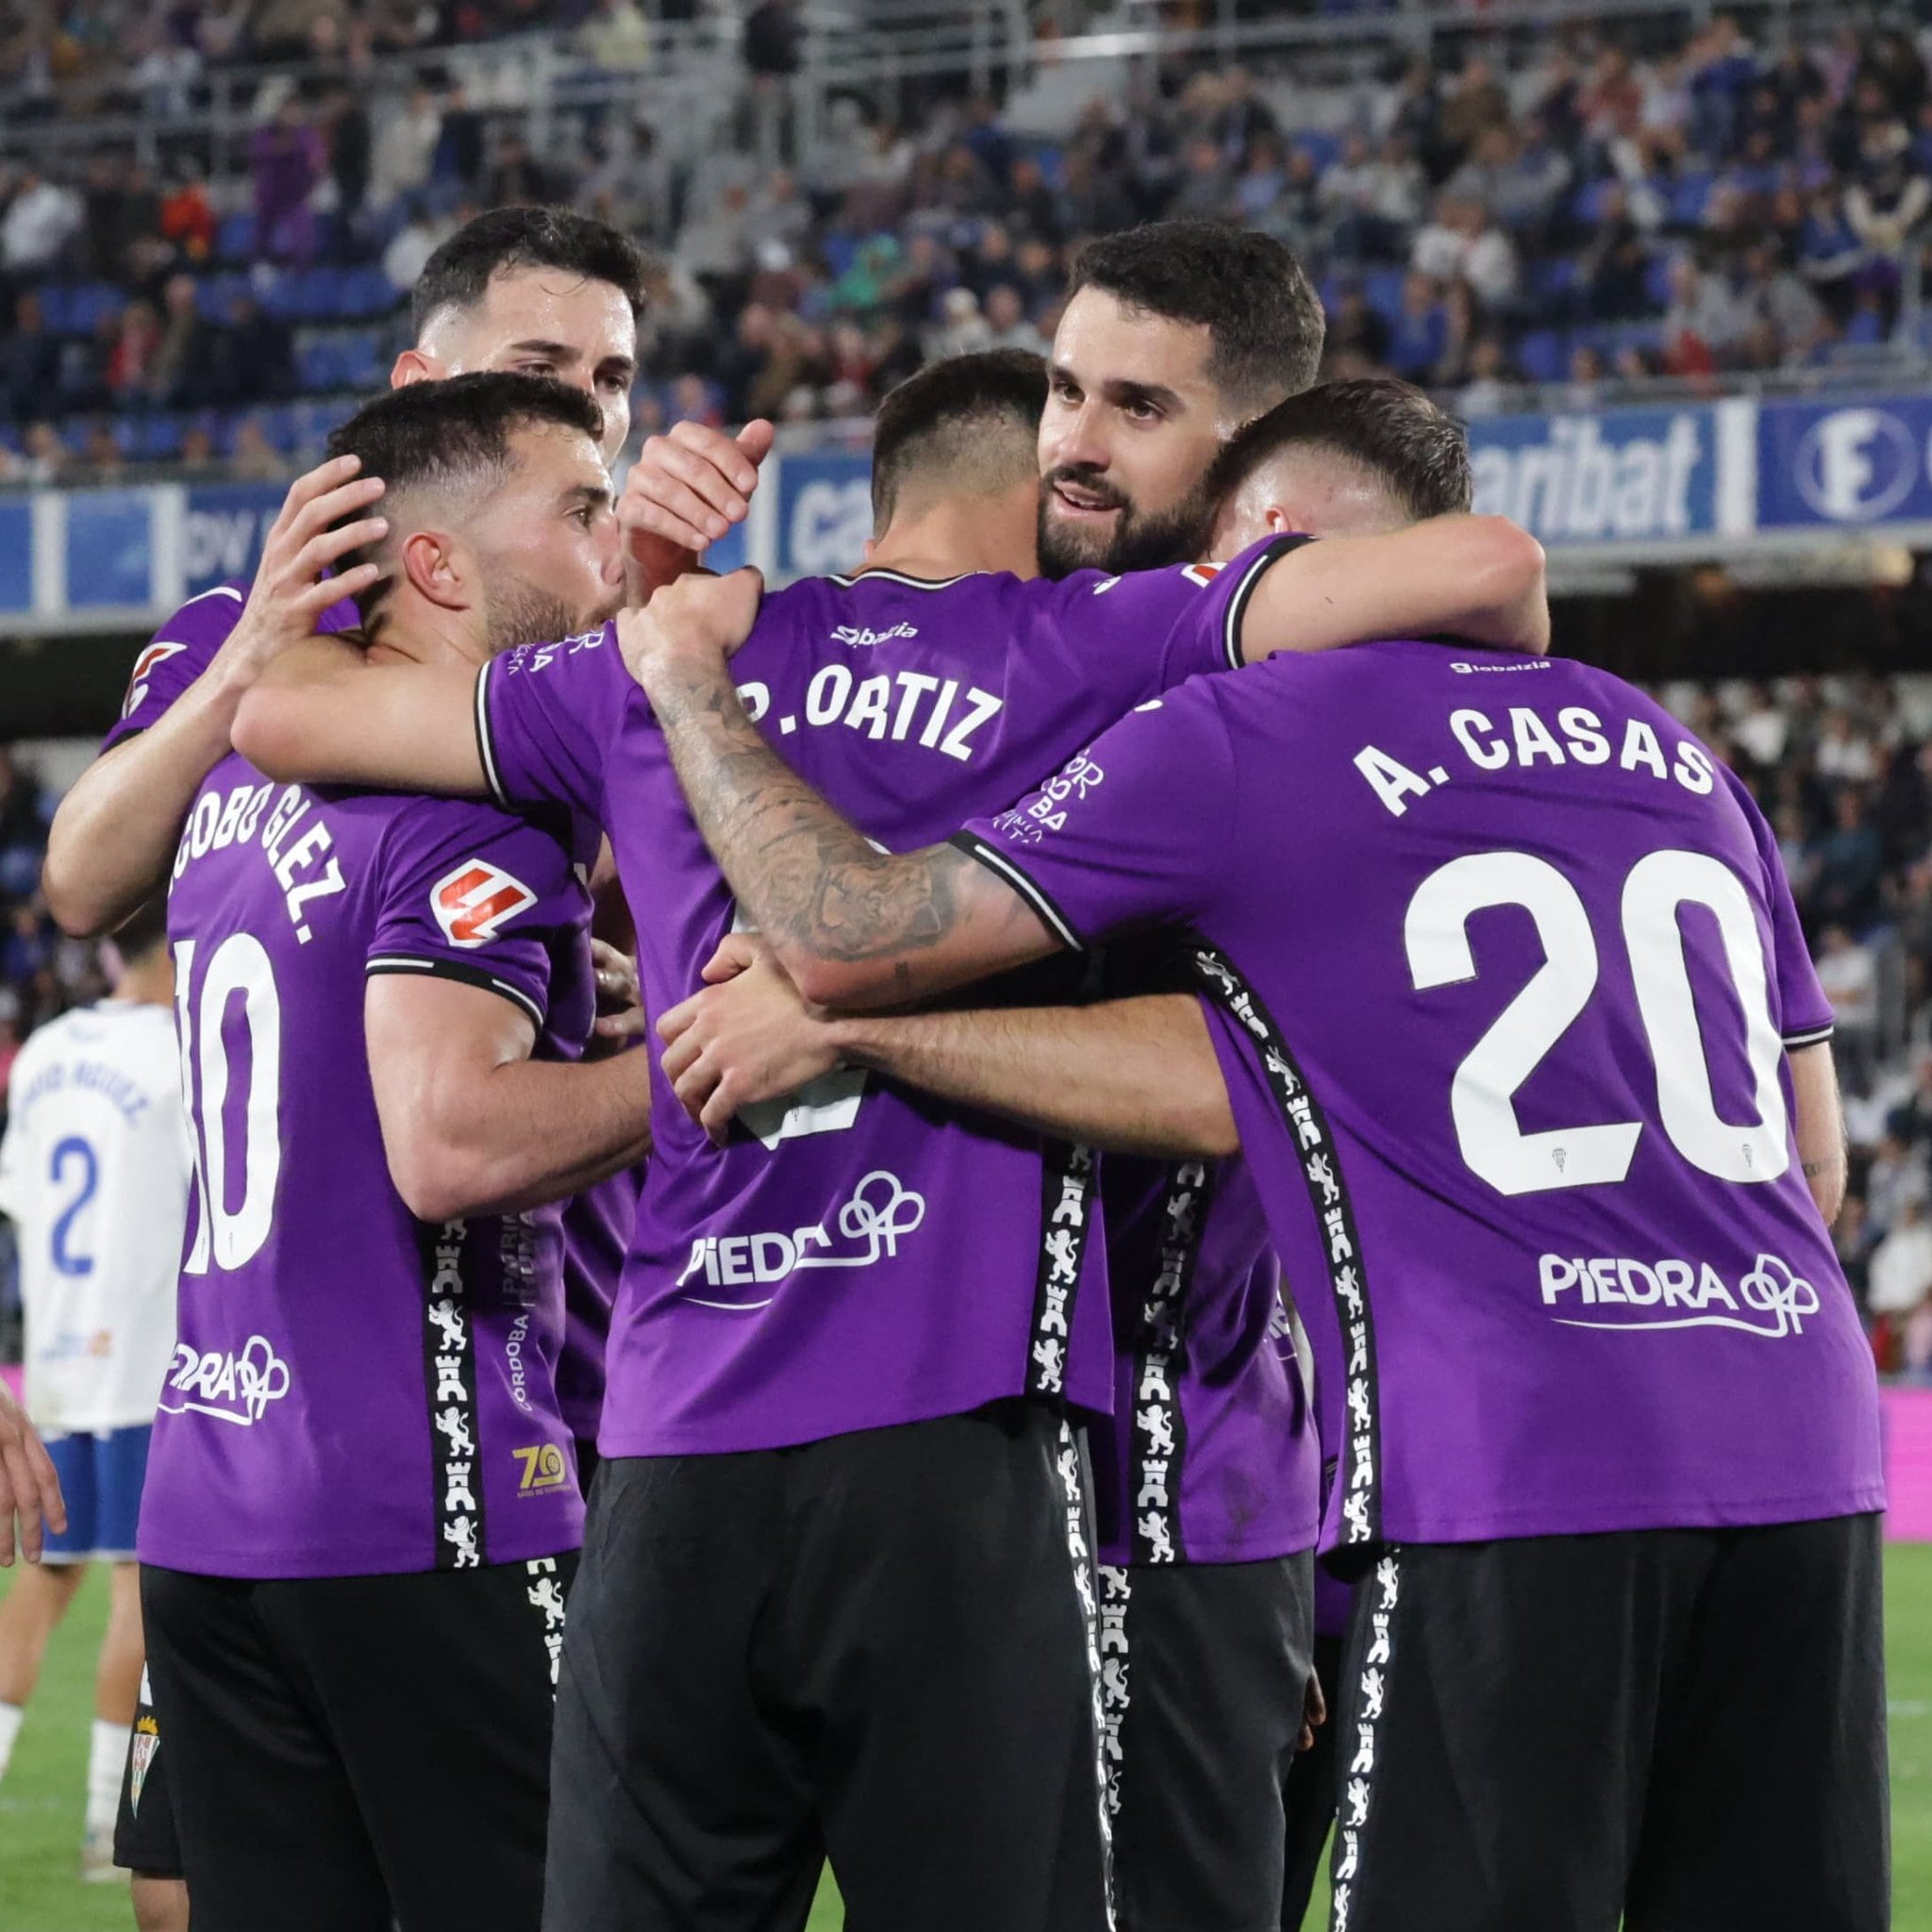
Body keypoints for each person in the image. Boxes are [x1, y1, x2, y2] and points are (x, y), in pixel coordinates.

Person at [235, 346, 1546, 1932]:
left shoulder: (650, 661)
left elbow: (290, 710)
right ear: (1020, 488)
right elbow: (1480, 566)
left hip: (670, 1454)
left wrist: (303, 591)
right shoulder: (1093, 643)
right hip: (958, 1438)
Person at [617, 456, 1886, 1932]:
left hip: (1521, 1453)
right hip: (1805, 1430)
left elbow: (844, 927)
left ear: (1276, 549)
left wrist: (687, 684)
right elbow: (1818, 1167)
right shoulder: (1676, 752)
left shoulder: (1251, 728)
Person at [647, 377, 1486, 1932]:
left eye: (1129, 402)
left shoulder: (1231, 726)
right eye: (1058, 393)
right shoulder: (1121, 696)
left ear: (1267, 528)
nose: (1072, 445)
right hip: (1190, 1495)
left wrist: (859, 1019)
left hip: (1176, 1518)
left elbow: (1223, 1084)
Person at [136, 374, 650, 1932]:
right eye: (579, 507)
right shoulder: (469, 803)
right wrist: (699, 1065)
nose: (613, 544)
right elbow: (447, 1138)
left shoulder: (233, 786)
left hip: (211, 1509)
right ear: (435, 565)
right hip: (419, 1503)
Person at [42, 205, 648, 944]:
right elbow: (78, 885)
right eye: (537, 368)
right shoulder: (252, 623)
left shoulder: (636, 629)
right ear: (420, 385)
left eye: (612, 377)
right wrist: (249, 658)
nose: (585, 405)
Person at [0, 900, 187, 1911]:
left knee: (42, 1580)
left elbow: (20, 1195)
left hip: (57, 1357)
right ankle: (99, 1824)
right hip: (149, 1351)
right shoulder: (188, 1052)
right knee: (137, 1590)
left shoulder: (43, 1052)